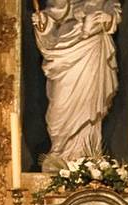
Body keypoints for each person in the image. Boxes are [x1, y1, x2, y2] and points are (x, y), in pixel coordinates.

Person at [32, 0, 121, 169]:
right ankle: (60, 152)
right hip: (64, 51)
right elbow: (53, 15)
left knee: (88, 104)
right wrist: (43, 23)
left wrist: (107, 19)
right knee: (60, 104)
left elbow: (113, 14)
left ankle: (87, 157)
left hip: (91, 49)